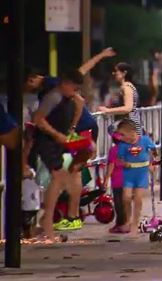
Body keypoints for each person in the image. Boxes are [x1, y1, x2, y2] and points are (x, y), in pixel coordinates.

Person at [32, 70, 85, 239]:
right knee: (58, 176)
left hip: (60, 140)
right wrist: (57, 135)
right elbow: (38, 120)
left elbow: (81, 103)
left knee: (62, 175)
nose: (76, 93)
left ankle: (47, 220)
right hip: (47, 141)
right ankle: (47, 222)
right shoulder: (54, 97)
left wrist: (72, 128)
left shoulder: (71, 98)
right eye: (74, 89)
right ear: (65, 83)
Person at [115, 119, 158, 235]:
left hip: (142, 173)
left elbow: (154, 150)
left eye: (122, 134)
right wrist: (124, 163)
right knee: (126, 197)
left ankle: (135, 222)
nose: (120, 137)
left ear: (132, 132)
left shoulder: (145, 140)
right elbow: (119, 159)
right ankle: (128, 220)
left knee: (138, 198)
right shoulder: (123, 145)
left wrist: (152, 164)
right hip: (128, 173)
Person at [98, 62, 142, 134]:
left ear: (124, 73)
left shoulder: (126, 87)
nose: (113, 73)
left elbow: (128, 108)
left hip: (128, 128)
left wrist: (108, 110)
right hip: (130, 126)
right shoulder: (129, 86)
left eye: (116, 71)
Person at [103, 132, 127, 233]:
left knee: (118, 203)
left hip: (118, 181)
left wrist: (106, 179)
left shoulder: (113, 150)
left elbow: (111, 165)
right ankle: (125, 223)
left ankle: (121, 224)